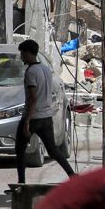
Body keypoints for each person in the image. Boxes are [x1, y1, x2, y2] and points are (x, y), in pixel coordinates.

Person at [15, 38, 74, 182]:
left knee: (20, 150)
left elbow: (33, 98)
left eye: (22, 54)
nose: (21, 57)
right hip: (47, 117)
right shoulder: (46, 69)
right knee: (53, 150)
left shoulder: (31, 72)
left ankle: (21, 182)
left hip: (34, 117)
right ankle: (72, 175)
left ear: (29, 54)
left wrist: (27, 121)